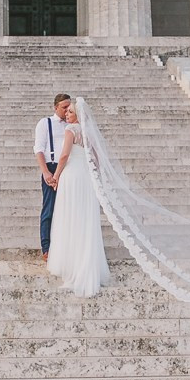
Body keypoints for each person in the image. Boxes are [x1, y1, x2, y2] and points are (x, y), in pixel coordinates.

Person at [47, 101, 110, 297]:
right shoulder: (88, 132)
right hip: (86, 178)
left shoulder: (71, 130)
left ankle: (73, 266)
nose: (67, 114)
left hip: (72, 176)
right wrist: (95, 176)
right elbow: (97, 158)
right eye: (67, 111)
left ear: (77, 115)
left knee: (71, 218)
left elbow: (64, 155)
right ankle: (87, 264)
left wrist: (56, 175)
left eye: (71, 112)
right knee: (85, 220)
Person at [33, 92, 70, 260]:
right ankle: (46, 248)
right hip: (51, 166)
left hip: (68, 169)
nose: (67, 110)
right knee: (49, 209)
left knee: (66, 209)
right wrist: (46, 172)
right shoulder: (45, 123)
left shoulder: (71, 124)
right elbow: (39, 149)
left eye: (69, 107)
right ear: (56, 108)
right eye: (64, 107)